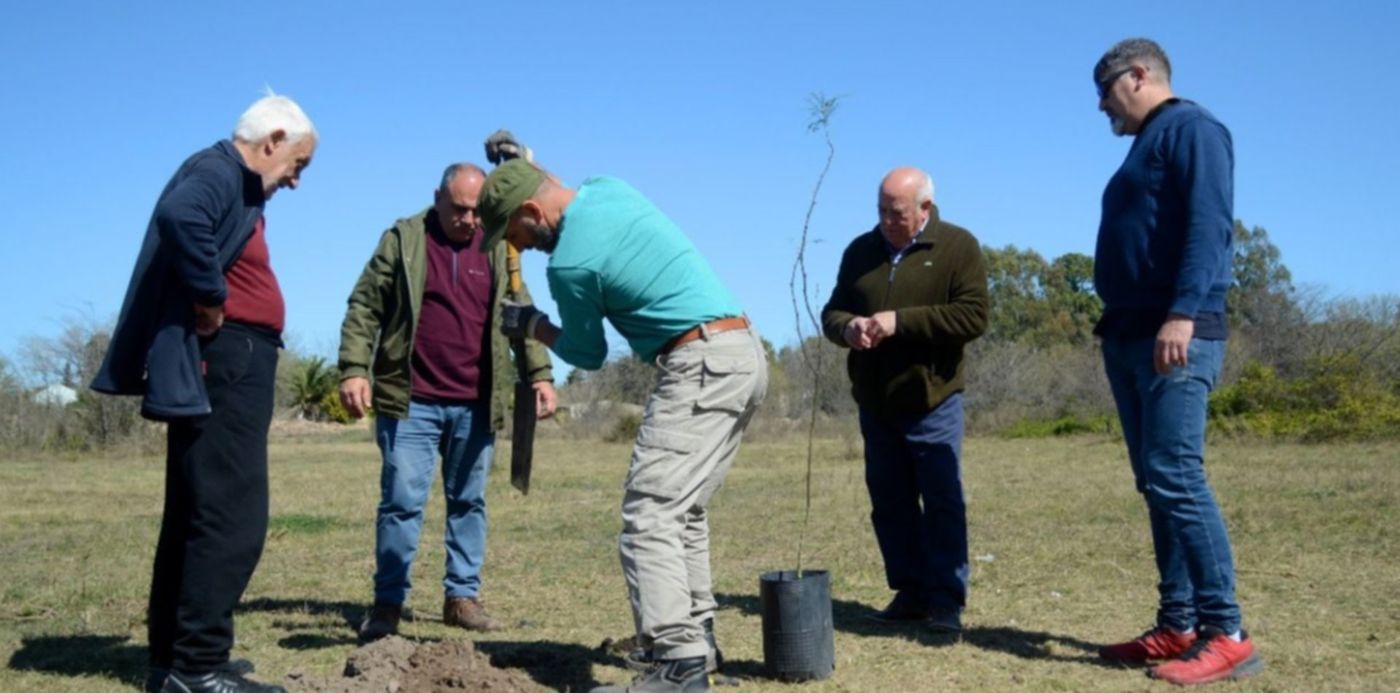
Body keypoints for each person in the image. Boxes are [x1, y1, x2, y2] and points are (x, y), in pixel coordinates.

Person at [478, 159, 767, 693]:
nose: (518, 247)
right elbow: (548, 185)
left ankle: (678, 662)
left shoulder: (570, 265)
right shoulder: (606, 188)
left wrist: (533, 323)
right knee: (683, 509)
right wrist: (520, 163)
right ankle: (697, 641)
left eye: (514, 233)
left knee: (650, 512)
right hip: (743, 352)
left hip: (700, 362)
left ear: (532, 211)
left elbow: (587, 353)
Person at [91, 94, 317, 693]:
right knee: (231, 515)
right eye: (298, 163)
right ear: (273, 139)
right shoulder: (220, 170)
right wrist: (211, 297)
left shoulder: (226, 177)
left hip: (226, 360)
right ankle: (199, 668)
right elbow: (181, 216)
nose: (295, 180)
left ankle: (173, 662)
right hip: (228, 359)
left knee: (194, 511)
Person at [1091, 37, 1263, 684]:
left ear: (1139, 75)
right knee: (1156, 481)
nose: (1101, 106)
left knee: (1176, 475)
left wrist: (1184, 312)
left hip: (1176, 333)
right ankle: (1179, 623)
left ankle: (1227, 632)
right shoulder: (1150, 141)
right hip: (1132, 333)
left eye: (1105, 90)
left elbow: (1209, 226)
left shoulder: (1194, 129)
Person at [337, 163, 556, 641]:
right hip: (410, 400)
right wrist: (354, 367)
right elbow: (365, 306)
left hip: (476, 402)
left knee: (469, 503)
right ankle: (388, 605)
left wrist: (539, 374)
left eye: (477, 211)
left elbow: (521, 312)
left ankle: (462, 598)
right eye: (459, 209)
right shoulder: (403, 239)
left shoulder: (497, 243)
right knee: (400, 504)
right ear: (437, 197)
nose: (469, 220)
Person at [820, 167, 989, 634]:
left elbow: (973, 317)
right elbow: (832, 312)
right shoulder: (860, 251)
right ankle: (910, 593)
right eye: (881, 211)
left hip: (934, 399)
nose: (886, 221)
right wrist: (848, 328)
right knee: (890, 502)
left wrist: (902, 322)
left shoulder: (958, 247)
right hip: (876, 402)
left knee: (941, 500)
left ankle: (946, 600)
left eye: (896, 213)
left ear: (925, 208)